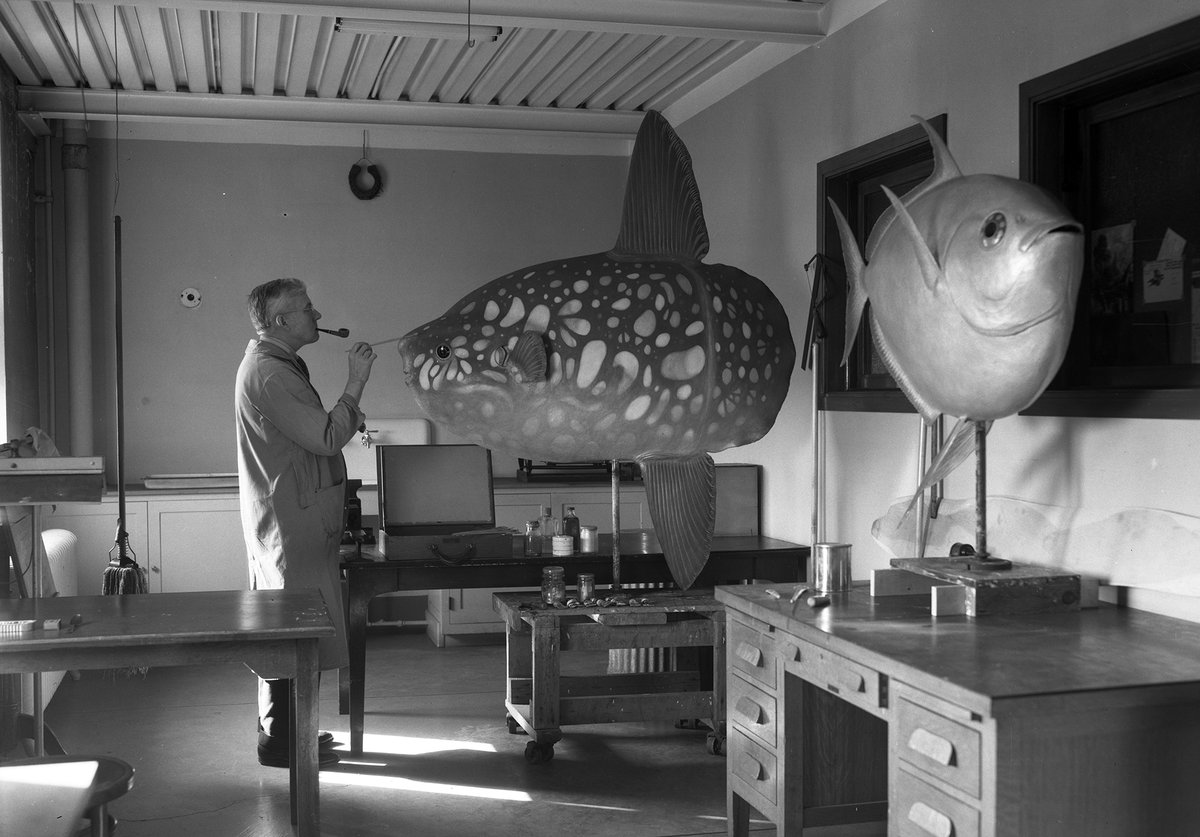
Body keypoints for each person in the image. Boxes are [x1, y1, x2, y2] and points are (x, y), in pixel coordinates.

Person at [234, 278, 376, 768]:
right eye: (307, 308)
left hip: (288, 514)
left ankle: (288, 736)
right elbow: (325, 437)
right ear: (281, 322)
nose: (316, 314)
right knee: (293, 629)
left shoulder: (275, 365)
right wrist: (355, 383)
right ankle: (281, 743)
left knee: (292, 628)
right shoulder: (272, 375)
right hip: (290, 521)